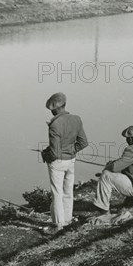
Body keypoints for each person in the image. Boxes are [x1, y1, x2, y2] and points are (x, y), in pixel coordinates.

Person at [41, 92, 88, 230]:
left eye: (51, 110)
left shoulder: (54, 124)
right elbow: (83, 142)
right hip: (71, 160)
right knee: (68, 191)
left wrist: (46, 154)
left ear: (54, 109)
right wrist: (71, 151)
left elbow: (55, 152)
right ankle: (67, 220)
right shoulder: (76, 119)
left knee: (57, 193)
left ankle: (58, 224)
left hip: (58, 163)